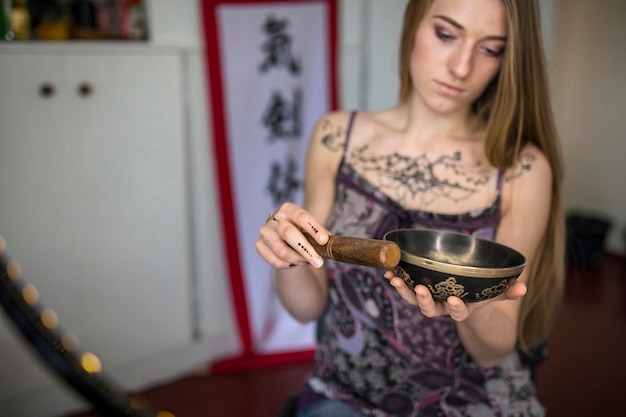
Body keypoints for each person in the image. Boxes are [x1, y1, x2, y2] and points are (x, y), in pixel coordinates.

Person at [256, 0, 565, 415]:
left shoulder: (522, 168)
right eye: (446, 34)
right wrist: (286, 256)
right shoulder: (336, 137)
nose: (460, 67)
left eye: (490, 49)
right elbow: (308, 306)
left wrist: (472, 310)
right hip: (345, 394)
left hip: (469, 402)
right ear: (413, 24)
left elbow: (495, 351)